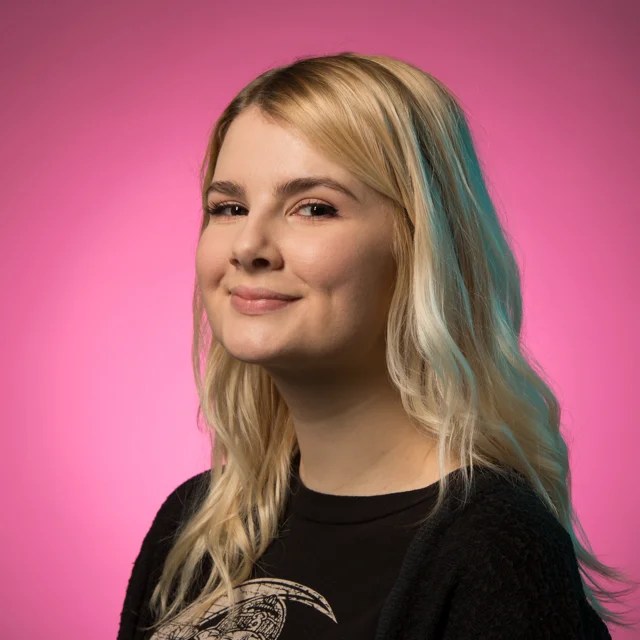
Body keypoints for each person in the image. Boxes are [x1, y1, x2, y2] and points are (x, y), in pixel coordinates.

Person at [117, 52, 637, 639]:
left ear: (419, 244)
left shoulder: (494, 546)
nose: (247, 246)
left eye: (314, 208)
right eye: (229, 208)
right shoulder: (194, 525)